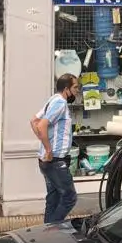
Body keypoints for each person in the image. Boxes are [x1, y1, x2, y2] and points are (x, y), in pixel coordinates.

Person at [31, 74, 80, 225]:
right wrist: (49, 149)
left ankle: (46, 231)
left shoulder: (52, 99)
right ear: (66, 89)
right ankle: (52, 228)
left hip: (47, 161)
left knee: (53, 198)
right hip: (55, 160)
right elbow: (41, 124)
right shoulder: (60, 103)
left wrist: (44, 142)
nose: (77, 90)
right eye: (75, 87)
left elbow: (33, 120)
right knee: (69, 197)